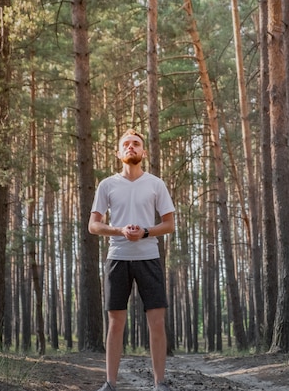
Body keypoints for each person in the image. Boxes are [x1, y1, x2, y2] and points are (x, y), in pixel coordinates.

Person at [88, 129, 175, 391]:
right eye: (125, 144)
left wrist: (146, 232)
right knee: (115, 323)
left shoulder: (156, 184)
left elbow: (169, 224)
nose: (131, 147)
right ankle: (110, 383)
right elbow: (93, 225)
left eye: (136, 144)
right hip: (118, 258)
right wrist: (120, 230)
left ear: (143, 152)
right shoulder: (107, 185)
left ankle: (159, 383)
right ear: (118, 153)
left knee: (157, 322)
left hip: (149, 257)